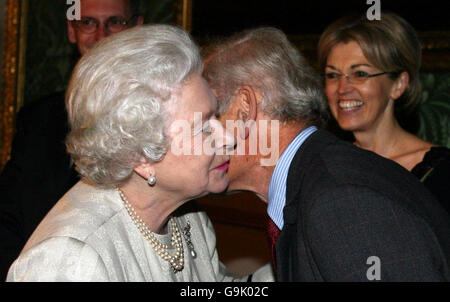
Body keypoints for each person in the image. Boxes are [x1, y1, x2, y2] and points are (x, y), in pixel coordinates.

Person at [7, 24, 274, 282]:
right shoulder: (70, 262)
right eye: (204, 127)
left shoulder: (187, 217)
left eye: (216, 115)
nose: (226, 138)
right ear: (142, 156)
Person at [203, 27, 450, 281]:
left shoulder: (341, 200)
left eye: (208, 117)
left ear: (246, 106)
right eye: (333, 75)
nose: (198, 139)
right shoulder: (315, 182)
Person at [0, 0, 143, 280]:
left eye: (115, 22)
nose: (101, 36)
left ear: (136, 28)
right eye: (88, 23)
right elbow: (7, 215)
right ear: (71, 30)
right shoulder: (38, 118)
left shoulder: (158, 120)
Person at [317, 12, 450, 213]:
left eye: (360, 74)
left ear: (398, 84)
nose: (342, 88)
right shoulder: (323, 165)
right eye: (332, 75)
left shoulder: (440, 173)